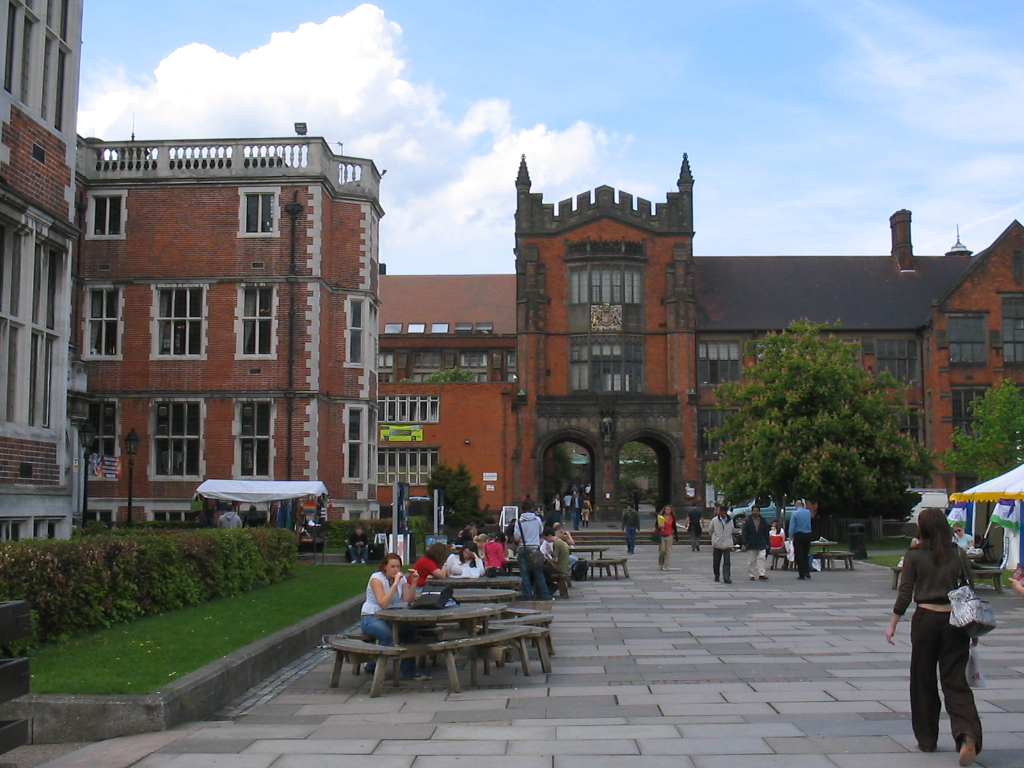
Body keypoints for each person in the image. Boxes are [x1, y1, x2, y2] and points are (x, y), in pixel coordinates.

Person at [885, 508, 982, 765]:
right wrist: (972, 629)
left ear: (922, 528)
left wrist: (893, 623)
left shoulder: (914, 555)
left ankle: (927, 739)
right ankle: (967, 734)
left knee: (923, 680)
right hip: (955, 621)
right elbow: (969, 591)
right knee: (955, 680)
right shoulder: (959, 554)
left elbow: (905, 592)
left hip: (926, 619)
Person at [359, 553, 429, 681]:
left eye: (398, 567)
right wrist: (394, 584)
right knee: (388, 636)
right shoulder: (376, 579)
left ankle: (408, 671)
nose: (395, 570)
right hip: (371, 617)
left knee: (410, 631)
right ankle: (372, 666)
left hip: (390, 617)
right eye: (392, 566)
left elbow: (408, 599)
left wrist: (413, 582)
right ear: (385, 567)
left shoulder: (401, 579)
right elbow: (383, 603)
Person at [514, 503, 551, 600]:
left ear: (521, 510)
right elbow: (541, 532)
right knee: (538, 573)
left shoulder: (519, 522)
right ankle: (544, 595)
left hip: (523, 548)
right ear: (532, 508)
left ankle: (527, 595)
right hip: (535, 548)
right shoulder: (537, 519)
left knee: (524, 574)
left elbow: (517, 538)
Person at [741, 506, 770, 581]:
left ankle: (762, 574)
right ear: (752, 511)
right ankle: (752, 575)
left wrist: (768, 543)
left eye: (757, 511)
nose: (755, 512)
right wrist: (745, 541)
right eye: (754, 511)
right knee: (752, 560)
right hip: (751, 543)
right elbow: (744, 532)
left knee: (762, 558)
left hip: (761, 542)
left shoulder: (763, 521)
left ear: (759, 512)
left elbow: (766, 533)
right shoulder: (748, 521)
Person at [790, 499, 814, 580]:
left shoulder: (795, 513)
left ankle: (801, 573)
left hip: (799, 534)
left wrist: (791, 536)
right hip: (808, 534)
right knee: (806, 553)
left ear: (796, 505)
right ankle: (807, 572)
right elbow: (809, 523)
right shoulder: (808, 512)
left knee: (799, 554)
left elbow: (792, 526)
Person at [542, 525, 571, 594]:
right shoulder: (560, 541)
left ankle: (550, 586)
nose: (546, 540)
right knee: (545, 569)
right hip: (564, 565)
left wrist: (547, 559)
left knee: (542, 570)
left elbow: (555, 560)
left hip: (559, 567)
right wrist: (551, 552)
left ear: (549, 536)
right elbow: (558, 555)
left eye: (546, 538)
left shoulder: (556, 544)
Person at [710, 504, 734, 583]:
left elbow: (732, 530)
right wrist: (714, 539)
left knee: (727, 561)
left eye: (724, 513)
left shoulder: (730, 521)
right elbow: (711, 530)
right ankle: (716, 576)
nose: (723, 514)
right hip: (717, 543)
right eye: (721, 512)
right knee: (716, 561)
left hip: (727, 543)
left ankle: (726, 577)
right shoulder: (715, 520)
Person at [655, 505, 676, 570]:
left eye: (669, 510)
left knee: (668, 551)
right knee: (662, 550)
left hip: (669, 535)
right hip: (661, 535)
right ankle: (660, 563)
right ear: (664, 510)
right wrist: (659, 527)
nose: (668, 511)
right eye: (667, 509)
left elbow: (674, 527)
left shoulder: (672, 517)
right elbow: (656, 525)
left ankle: (666, 566)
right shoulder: (660, 517)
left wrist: (675, 535)